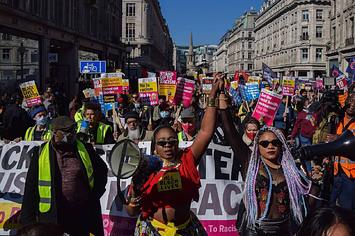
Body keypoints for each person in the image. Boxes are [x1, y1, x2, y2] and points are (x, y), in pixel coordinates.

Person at [125, 74, 224, 235]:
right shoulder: (145, 168)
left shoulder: (187, 159)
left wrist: (212, 94)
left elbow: (206, 131)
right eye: (162, 143)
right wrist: (136, 191)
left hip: (185, 229)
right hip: (153, 231)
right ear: (155, 147)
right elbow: (131, 211)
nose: (167, 146)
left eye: (172, 142)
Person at [220, 99, 321, 235]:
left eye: (275, 142)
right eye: (265, 143)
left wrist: (317, 182)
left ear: (281, 145)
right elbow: (230, 133)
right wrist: (221, 100)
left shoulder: (290, 169)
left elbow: (311, 191)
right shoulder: (250, 163)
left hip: (283, 229)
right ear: (257, 146)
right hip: (256, 230)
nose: (270, 146)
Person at [20, 116, 108, 236]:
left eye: (73, 131)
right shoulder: (40, 153)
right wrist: (27, 223)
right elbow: (31, 188)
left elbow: (102, 171)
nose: (71, 135)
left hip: (81, 215)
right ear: (54, 133)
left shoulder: (85, 149)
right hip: (52, 217)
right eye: (66, 132)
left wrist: (94, 196)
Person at [327, 87, 355, 210]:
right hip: (336, 172)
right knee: (331, 209)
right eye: (351, 99)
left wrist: (337, 139)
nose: (352, 104)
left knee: (347, 211)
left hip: (351, 176)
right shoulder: (337, 120)